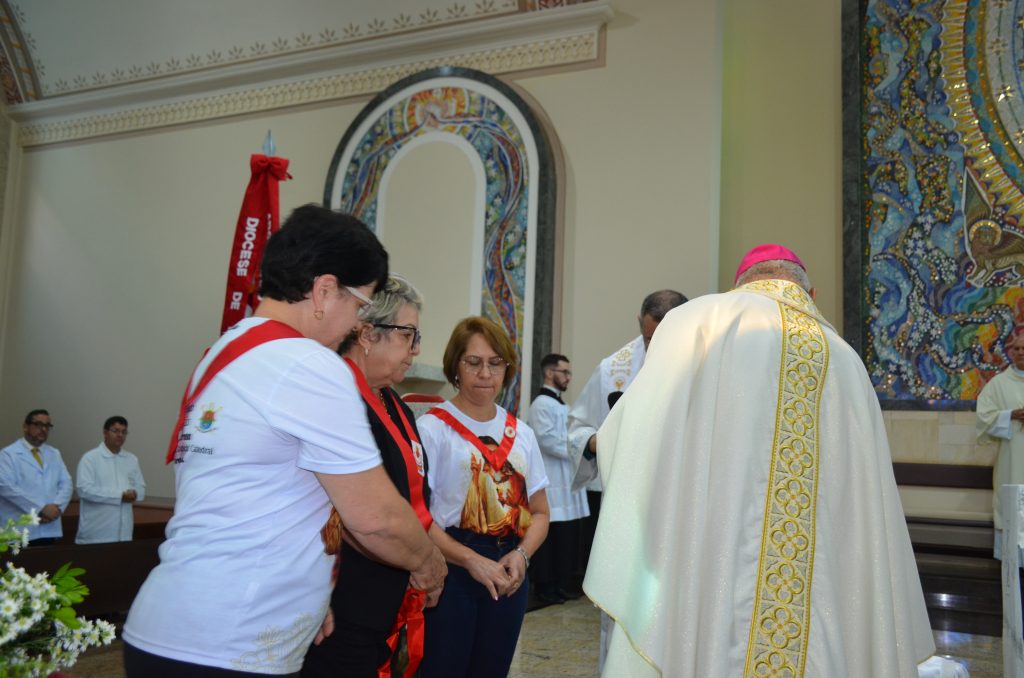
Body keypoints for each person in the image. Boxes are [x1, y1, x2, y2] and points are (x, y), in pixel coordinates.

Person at [585, 245, 939, 677]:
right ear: (812, 292)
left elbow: (632, 434)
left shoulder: (702, 321)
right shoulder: (847, 360)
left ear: (741, 285)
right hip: (822, 596)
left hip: (712, 568)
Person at [122, 205, 446, 677]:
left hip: (173, 624)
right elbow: (375, 519)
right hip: (229, 643)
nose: (357, 324)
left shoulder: (224, 352)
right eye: (359, 305)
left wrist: (309, 594)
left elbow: (255, 497)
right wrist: (427, 561)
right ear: (324, 290)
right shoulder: (307, 364)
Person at [302, 275, 437, 678]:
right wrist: (421, 558)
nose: (416, 349)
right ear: (366, 334)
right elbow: (347, 512)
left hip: (389, 597)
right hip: (343, 603)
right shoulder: (337, 397)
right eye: (407, 334)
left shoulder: (394, 402)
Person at [416, 316, 550, 678]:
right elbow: (418, 517)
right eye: (473, 362)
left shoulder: (520, 433)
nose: (485, 373)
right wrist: (470, 559)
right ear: (455, 367)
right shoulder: (432, 428)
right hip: (451, 564)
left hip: (508, 567)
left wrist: (521, 555)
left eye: (495, 363)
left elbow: (539, 512)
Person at [567, 289, 686, 669]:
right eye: (651, 338)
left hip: (684, 512)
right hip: (627, 510)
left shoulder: (709, 364)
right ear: (640, 325)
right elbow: (577, 425)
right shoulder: (613, 370)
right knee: (622, 608)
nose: (658, 347)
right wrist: (594, 441)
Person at [527, 353, 588, 604]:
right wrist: (577, 448)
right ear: (550, 373)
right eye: (565, 372)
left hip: (566, 475)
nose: (568, 378)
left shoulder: (563, 405)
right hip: (552, 477)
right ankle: (546, 587)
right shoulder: (541, 404)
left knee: (566, 536)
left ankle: (561, 583)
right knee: (551, 536)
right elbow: (547, 440)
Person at [976, 329, 1024, 558]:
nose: (1021, 352)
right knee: (1011, 510)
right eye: (1016, 348)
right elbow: (983, 418)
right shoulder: (999, 384)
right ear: (1010, 352)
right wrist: (1010, 415)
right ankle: (1013, 571)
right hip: (1011, 461)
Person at [0, 409, 72, 545]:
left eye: (47, 426)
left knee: (49, 565)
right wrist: (40, 509)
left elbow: (66, 483)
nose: (43, 429)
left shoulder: (54, 453)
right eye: (38, 424)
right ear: (25, 427)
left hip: (50, 528)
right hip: (20, 532)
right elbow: (6, 488)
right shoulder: (8, 454)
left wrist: (57, 508)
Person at [75, 416, 146, 544]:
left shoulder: (131, 459)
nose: (120, 435)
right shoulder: (90, 458)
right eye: (115, 430)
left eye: (124, 432)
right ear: (105, 432)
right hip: (97, 533)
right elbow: (84, 490)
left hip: (125, 533)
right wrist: (119, 496)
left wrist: (135, 494)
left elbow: (141, 488)